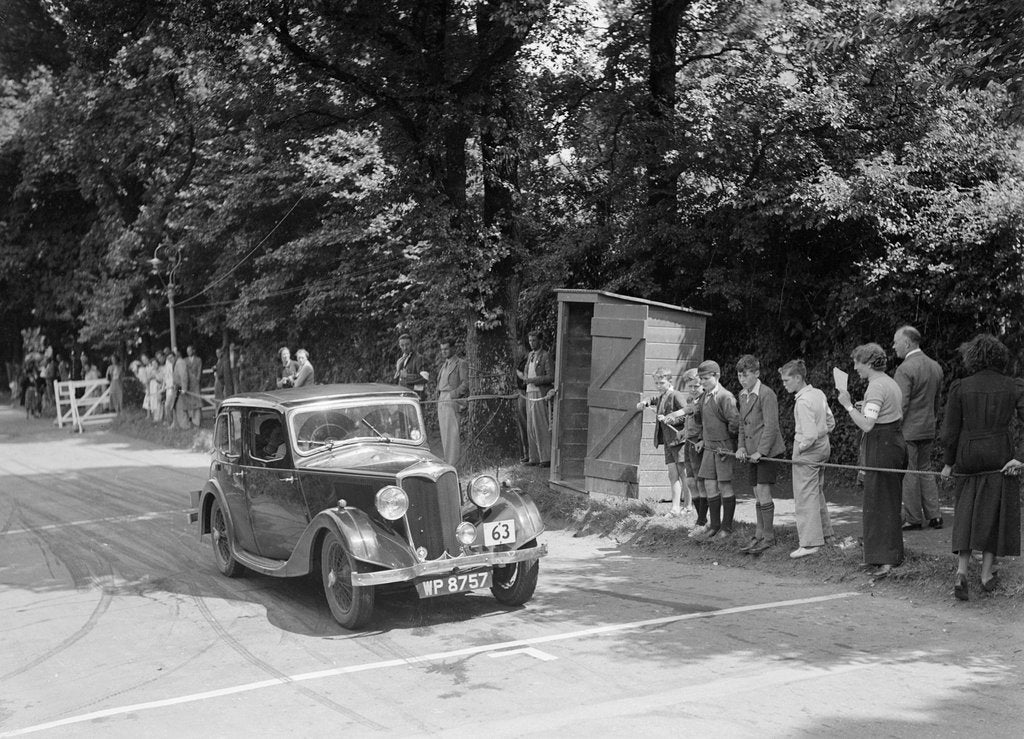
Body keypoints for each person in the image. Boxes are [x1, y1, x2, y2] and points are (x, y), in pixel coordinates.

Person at [939, 334, 1024, 600]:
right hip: (1000, 454)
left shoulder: (960, 387)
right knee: (994, 510)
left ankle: (962, 571)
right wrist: (1021, 456)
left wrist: (948, 463)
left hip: (968, 454)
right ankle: (987, 574)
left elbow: (950, 432)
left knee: (966, 507)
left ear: (972, 357)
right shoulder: (1013, 386)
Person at [838, 343, 908, 578]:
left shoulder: (876, 387)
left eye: (858, 362)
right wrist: (862, 407)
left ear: (869, 363)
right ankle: (878, 556)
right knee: (877, 501)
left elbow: (867, 424)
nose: (855, 367)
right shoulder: (888, 382)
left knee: (883, 502)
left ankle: (887, 558)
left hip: (882, 446)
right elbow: (879, 414)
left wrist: (848, 405)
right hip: (891, 442)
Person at [779, 359, 836, 559]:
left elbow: (809, 435)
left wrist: (800, 449)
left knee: (805, 496)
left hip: (808, 449)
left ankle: (811, 542)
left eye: (786, 380)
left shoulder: (803, 401)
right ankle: (826, 535)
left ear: (798, 378)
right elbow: (831, 422)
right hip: (823, 446)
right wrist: (821, 435)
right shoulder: (818, 393)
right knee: (816, 492)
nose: (784, 384)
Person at [892, 325, 945, 531]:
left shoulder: (905, 369)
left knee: (909, 472)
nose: (894, 346)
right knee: (926, 470)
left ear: (907, 343)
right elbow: (936, 401)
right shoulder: (935, 366)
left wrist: (893, 428)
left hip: (908, 429)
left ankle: (913, 518)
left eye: (896, 342)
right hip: (928, 427)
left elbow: (900, 404)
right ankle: (935, 515)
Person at [734, 355, 786, 555]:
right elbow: (741, 424)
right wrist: (741, 447)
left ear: (756, 373)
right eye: (739, 375)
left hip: (767, 452)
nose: (742, 379)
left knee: (763, 491)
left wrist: (761, 452)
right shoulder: (742, 394)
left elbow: (771, 427)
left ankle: (769, 537)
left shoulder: (767, 394)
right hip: (751, 452)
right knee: (756, 491)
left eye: (746, 375)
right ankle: (759, 534)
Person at [692, 360, 739, 540]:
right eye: (701, 379)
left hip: (723, 448)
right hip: (709, 447)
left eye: (705, 378)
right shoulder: (704, 397)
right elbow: (701, 419)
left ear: (717, 376)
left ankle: (726, 527)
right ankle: (714, 525)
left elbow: (735, 421)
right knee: (709, 484)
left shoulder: (725, 396)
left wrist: (727, 441)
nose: (702, 382)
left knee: (724, 484)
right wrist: (702, 439)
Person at [636, 368, 688, 516]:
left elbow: (687, 413)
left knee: (684, 474)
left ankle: (688, 507)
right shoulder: (662, 395)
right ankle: (675, 508)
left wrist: (670, 418)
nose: (659, 385)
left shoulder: (676, 395)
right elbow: (653, 399)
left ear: (669, 381)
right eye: (656, 383)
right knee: (673, 475)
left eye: (662, 382)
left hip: (679, 440)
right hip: (668, 442)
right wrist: (645, 402)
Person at [517, 330, 553, 467]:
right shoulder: (530, 355)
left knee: (540, 425)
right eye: (530, 340)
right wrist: (525, 378)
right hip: (529, 392)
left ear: (540, 341)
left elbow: (550, 376)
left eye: (534, 340)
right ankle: (534, 457)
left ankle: (546, 457)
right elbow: (526, 372)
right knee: (530, 425)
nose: (532, 343)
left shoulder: (545, 356)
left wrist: (533, 380)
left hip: (539, 393)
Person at [436, 339, 470, 466]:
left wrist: (452, 395)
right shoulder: (444, 365)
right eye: (442, 349)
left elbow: (466, 383)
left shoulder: (461, 363)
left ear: (453, 349)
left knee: (452, 433)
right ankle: (447, 461)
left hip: (451, 400)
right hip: (441, 399)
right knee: (445, 433)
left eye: (446, 349)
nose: (444, 351)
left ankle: (454, 463)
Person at [393, 334, 429, 399]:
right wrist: (398, 371)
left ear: (412, 344)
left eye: (407, 344)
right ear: (399, 346)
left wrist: (407, 376)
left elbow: (425, 378)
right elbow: (398, 382)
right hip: (403, 397)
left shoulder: (419, 358)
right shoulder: (400, 360)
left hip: (416, 398)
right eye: (402, 345)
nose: (405, 348)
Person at [514, 341, 530, 464]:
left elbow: (525, 377)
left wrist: (519, 374)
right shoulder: (521, 361)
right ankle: (525, 453)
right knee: (521, 424)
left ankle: (528, 453)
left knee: (526, 424)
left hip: (526, 394)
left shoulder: (528, 359)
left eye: (519, 347)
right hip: (520, 393)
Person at [185, 345, 203, 426]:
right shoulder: (185, 360)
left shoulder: (198, 360)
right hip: (188, 384)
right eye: (187, 351)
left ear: (193, 351)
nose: (188, 352)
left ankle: (197, 420)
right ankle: (190, 419)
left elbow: (199, 370)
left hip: (195, 383)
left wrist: (197, 380)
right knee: (189, 401)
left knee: (197, 401)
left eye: (190, 350)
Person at [162, 351, 176, 425]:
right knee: (167, 405)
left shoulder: (175, 364)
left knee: (170, 405)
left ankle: (172, 421)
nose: (169, 359)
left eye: (171, 357)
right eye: (168, 358)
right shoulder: (167, 364)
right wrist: (164, 386)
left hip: (173, 387)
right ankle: (169, 421)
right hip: (168, 387)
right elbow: (165, 376)